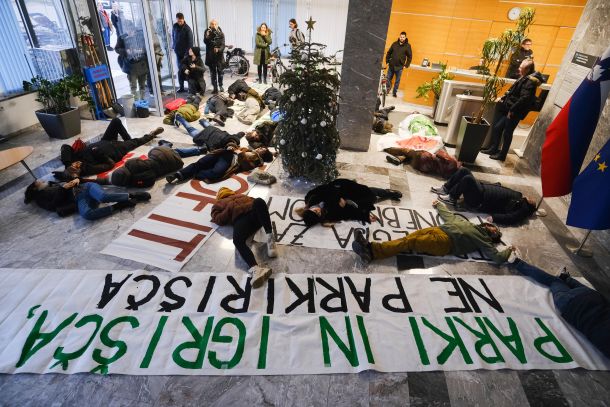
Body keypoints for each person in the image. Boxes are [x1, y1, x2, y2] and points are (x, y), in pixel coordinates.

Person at [352, 201, 513, 264]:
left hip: (445, 243)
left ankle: (372, 251)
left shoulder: (483, 240)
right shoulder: (469, 224)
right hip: (438, 230)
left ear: (493, 236)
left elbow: (497, 258)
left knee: (409, 243)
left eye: (495, 231)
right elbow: (449, 216)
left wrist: (509, 250)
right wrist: (440, 205)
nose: (493, 228)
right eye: (494, 227)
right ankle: (370, 250)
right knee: (408, 239)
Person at [509, 258, 610, 359]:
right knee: (552, 281)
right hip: (570, 304)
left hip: (592, 296)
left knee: (575, 287)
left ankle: (567, 279)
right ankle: (517, 263)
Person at [211, 187, 277, 288]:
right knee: (237, 240)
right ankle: (255, 269)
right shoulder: (218, 204)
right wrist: (229, 208)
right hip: (240, 220)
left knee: (259, 201)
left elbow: (257, 204)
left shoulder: (242, 195)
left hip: (253, 215)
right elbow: (217, 219)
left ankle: (270, 238)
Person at [482, 60, 543, 161]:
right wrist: (504, 97)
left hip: (515, 111)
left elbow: (524, 98)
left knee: (507, 133)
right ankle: (493, 149)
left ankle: (502, 155)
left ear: (527, 69)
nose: (519, 69)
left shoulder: (530, 82)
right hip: (510, 109)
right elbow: (514, 91)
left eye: (521, 68)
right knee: (498, 128)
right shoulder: (524, 77)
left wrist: (512, 110)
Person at [431, 167, 537, 225]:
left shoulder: (524, 209)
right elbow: (501, 190)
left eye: (533, 201)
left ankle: (452, 198)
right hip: (483, 189)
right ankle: (445, 189)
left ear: (531, 207)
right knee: (464, 171)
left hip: (480, 201)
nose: (532, 198)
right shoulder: (519, 196)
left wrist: (495, 218)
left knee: (468, 179)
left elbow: (512, 218)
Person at [60, 118, 164, 177]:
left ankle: (128, 140)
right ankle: (151, 134)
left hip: (105, 140)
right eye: (75, 169)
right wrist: (99, 153)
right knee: (137, 142)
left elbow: (65, 147)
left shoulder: (72, 159)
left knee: (116, 121)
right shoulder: (88, 169)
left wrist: (68, 163)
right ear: (77, 173)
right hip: (116, 149)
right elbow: (110, 165)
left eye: (72, 166)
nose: (75, 165)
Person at [24, 178, 150, 221]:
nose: (42, 181)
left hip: (86, 187)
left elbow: (74, 179)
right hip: (78, 199)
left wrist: (77, 179)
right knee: (87, 215)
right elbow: (53, 206)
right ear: (35, 188)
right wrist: (64, 189)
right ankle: (121, 205)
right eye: (38, 182)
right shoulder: (41, 199)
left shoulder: (52, 183)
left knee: (103, 196)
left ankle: (133, 195)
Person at [296, 179, 402, 227]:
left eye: (315, 210)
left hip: (342, 189)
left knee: (369, 191)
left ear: (308, 208)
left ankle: (388, 192)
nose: (318, 210)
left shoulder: (310, 198)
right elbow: (347, 213)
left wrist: (337, 197)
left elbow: (326, 188)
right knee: (370, 197)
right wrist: (364, 216)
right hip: (350, 199)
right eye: (318, 214)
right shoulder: (329, 214)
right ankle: (385, 194)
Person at [165, 146, 273, 184]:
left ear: (264, 155)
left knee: (215, 173)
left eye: (263, 149)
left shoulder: (257, 161)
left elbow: (246, 165)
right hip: (225, 153)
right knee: (201, 163)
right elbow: (235, 146)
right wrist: (231, 146)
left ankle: (192, 173)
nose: (260, 148)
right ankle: (177, 175)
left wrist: (241, 155)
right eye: (261, 147)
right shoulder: (248, 149)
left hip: (230, 160)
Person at [110, 146, 184, 187]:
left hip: (173, 161)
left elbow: (150, 181)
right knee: (168, 151)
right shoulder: (128, 163)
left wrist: (133, 184)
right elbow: (138, 159)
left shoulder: (139, 177)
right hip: (159, 150)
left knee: (174, 154)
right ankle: (166, 145)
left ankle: (193, 150)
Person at [173, 116, 244, 153]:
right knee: (190, 128)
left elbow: (239, 135)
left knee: (208, 125)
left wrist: (243, 133)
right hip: (202, 136)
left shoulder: (234, 138)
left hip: (212, 130)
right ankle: (179, 117)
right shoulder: (219, 149)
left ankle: (202, 120)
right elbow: (210, 150)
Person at [115, 25, 149, 100]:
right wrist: (125, 51)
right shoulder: (122, 38)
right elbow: (117, 49)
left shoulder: (139, 36)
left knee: (142, 85)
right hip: (130, 66)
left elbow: (146, 47)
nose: (130, 33)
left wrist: (141, 50)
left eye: (132, 31)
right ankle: (136, 102)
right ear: (126, 30)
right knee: (133, 86)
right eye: (129, 31)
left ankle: (142, 101)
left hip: (141, 64)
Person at [385, 147, 461, 179]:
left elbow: (438, 153)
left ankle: (387, 149)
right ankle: (399, 159)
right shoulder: (449, 175)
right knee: (409, 157)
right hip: (422, 168)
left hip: (422, 158)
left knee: (405, 150)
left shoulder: (452, 161)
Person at [385, 32, 413, 97]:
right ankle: (387, 90)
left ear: (405, 37)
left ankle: (394, 92)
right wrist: (387, 61)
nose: (402, 38)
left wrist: (406, 65)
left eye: (403, 37)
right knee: (388, 79)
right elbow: (389, 53)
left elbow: (410, 56)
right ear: (399, 37)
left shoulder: (408, 46)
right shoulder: (394, 44)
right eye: (401, 37)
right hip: (391, 65)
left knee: (397, 81)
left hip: (399, 67)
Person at [172, 13, 194, 93]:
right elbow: (173, 37)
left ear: (183, 19)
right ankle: (181, 87)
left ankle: (190, 88)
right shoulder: (175, 26)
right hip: (178, 52)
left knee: (186, 70)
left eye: (181, 21)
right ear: (176, 19)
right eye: (178, 21)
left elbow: (190, 43)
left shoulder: (187, 29)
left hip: (185, 54)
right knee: (180, 70)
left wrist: (187, 54)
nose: (180, 23)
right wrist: (173, 46)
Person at [204, 19, 225, 94]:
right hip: (211, 57)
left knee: (220, 72)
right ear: (210, 25)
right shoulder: (207, 32)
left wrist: (219, 49)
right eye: (212, 24)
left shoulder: (221, 33)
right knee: (213, 73)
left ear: (217, 25)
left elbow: (223, 45)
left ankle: (221, 85)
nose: (214, 25)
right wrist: (207, 36)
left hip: (219, 57)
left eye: (215, 24)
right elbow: (206, 42)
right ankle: (215, 88)